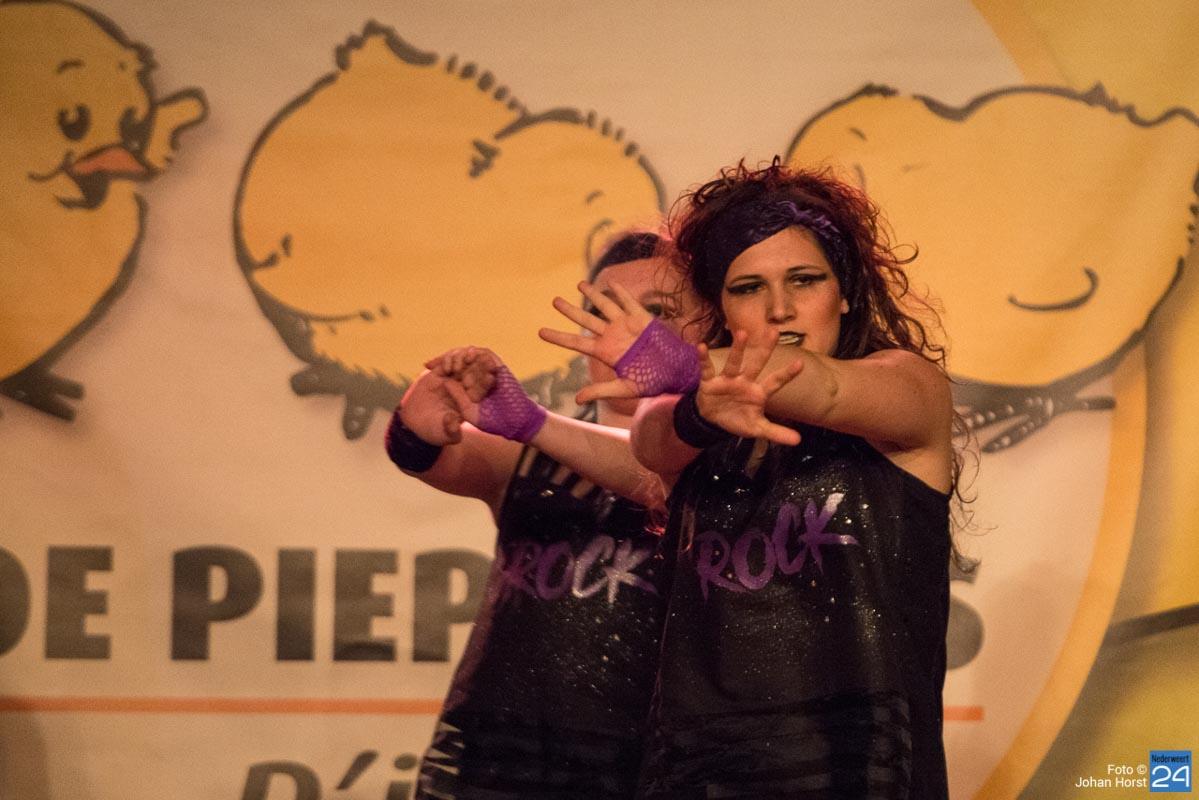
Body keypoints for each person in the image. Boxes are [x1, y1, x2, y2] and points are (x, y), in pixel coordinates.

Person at [540, 161, 957, 799]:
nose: (781, 308)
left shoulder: (908, 386)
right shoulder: (688, 419)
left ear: (845, 291)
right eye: (748, 287)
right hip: (698, 777)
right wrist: (699, 407)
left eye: (804, 280)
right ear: (720, 308)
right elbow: (651, 442)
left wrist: (681, 364)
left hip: (861, 776)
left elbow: (824, 386)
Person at [385, 232, 701, 799]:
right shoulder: (526, 451)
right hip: (493, 768)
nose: (627, 333)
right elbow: (425, 455)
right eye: (603, 314)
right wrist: (420, 415)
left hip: (659, 773)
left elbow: (653, 471)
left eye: (657, 313)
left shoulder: (732, 467)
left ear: (708, 330)